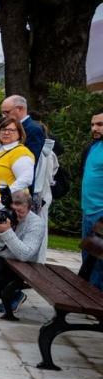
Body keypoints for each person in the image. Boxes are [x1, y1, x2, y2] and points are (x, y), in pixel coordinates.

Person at [79, 110, 103, 290]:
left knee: (99, 262)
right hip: (88, 211)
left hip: (102, 213)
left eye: (100, 125)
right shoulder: (92, 147)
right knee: (88, 258)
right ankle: (87, 297)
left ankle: (96, 301)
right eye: (93, 124)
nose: (95, 128)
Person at [2, 95, 45, 180]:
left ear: (20, 109)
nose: (4, 116)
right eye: (3, 113)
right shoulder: (20, 126)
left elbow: (32, 159)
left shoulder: (33, 129)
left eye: (7, 112)